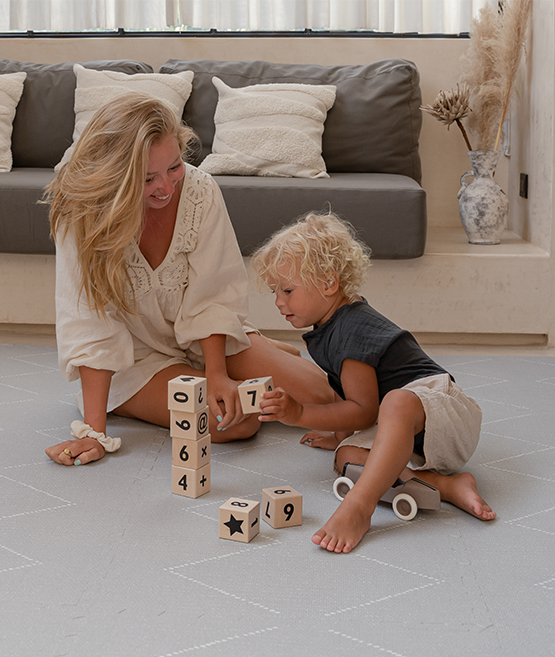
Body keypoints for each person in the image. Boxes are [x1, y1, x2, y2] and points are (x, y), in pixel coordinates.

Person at [43, 94, 334, 466]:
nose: (166, 187)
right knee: (234, 424)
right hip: (134, 360)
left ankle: (246, 348)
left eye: (174, 167)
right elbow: (89, 323)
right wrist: (94, 432)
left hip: (201, 335)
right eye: (148, 178)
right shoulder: (79, 212)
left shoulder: (200, 191)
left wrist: (216, 374)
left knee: (320, 395)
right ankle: (254, 350)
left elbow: (212, 292)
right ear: (116, 175)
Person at [251, 211, 496, 553]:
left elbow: (364, 411)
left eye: (288, 290)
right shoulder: (330, 325)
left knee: (396, 401)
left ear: (328, 284)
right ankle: (446, 484)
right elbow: (349, 393)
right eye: (275, 291)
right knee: (346, 457)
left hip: (442, 412)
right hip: (414, 434)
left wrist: (299, 413)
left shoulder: (352, 329)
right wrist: (339, 435)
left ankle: (358, 508)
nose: (279, 301)